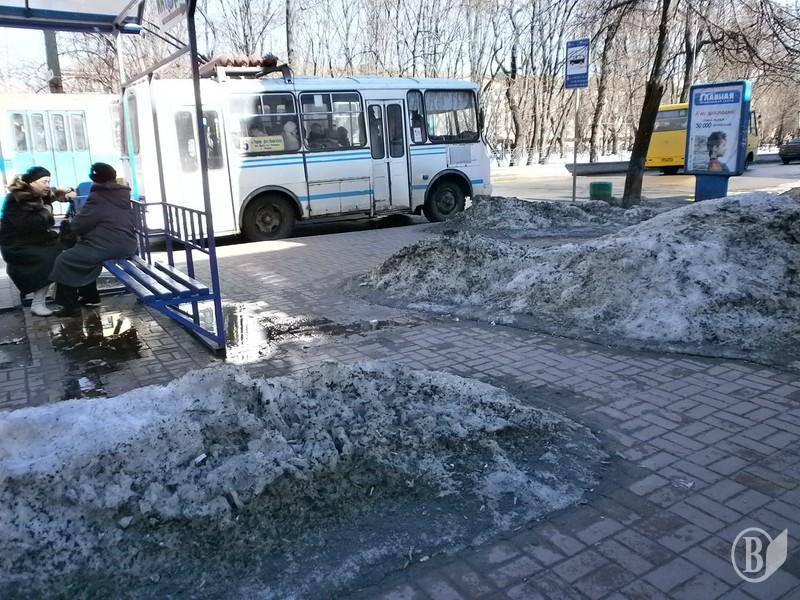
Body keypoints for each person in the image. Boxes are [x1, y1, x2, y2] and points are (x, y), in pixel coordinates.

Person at [50, 163, 137, 317]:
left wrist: (70, 227)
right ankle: (90, 296)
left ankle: (70, 306)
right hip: (127, 243)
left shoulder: (99, 196)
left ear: (94, 178)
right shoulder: (121, 193)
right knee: (82, 255)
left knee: (64, 260)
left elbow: (81, 223)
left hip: (109, 245)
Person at [0, 166, 75, 316]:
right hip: (16, 244)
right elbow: (30, 224)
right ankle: (38, 303)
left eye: (49, 181)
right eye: (44, 181)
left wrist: (66, 194)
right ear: (31, 183)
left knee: (65, 251)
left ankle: (57, 296)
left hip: (34, 240)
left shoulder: (37, 194)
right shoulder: (15, 199)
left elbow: (53, 195)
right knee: (50, 258)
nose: (47, 185)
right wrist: (46, 211)